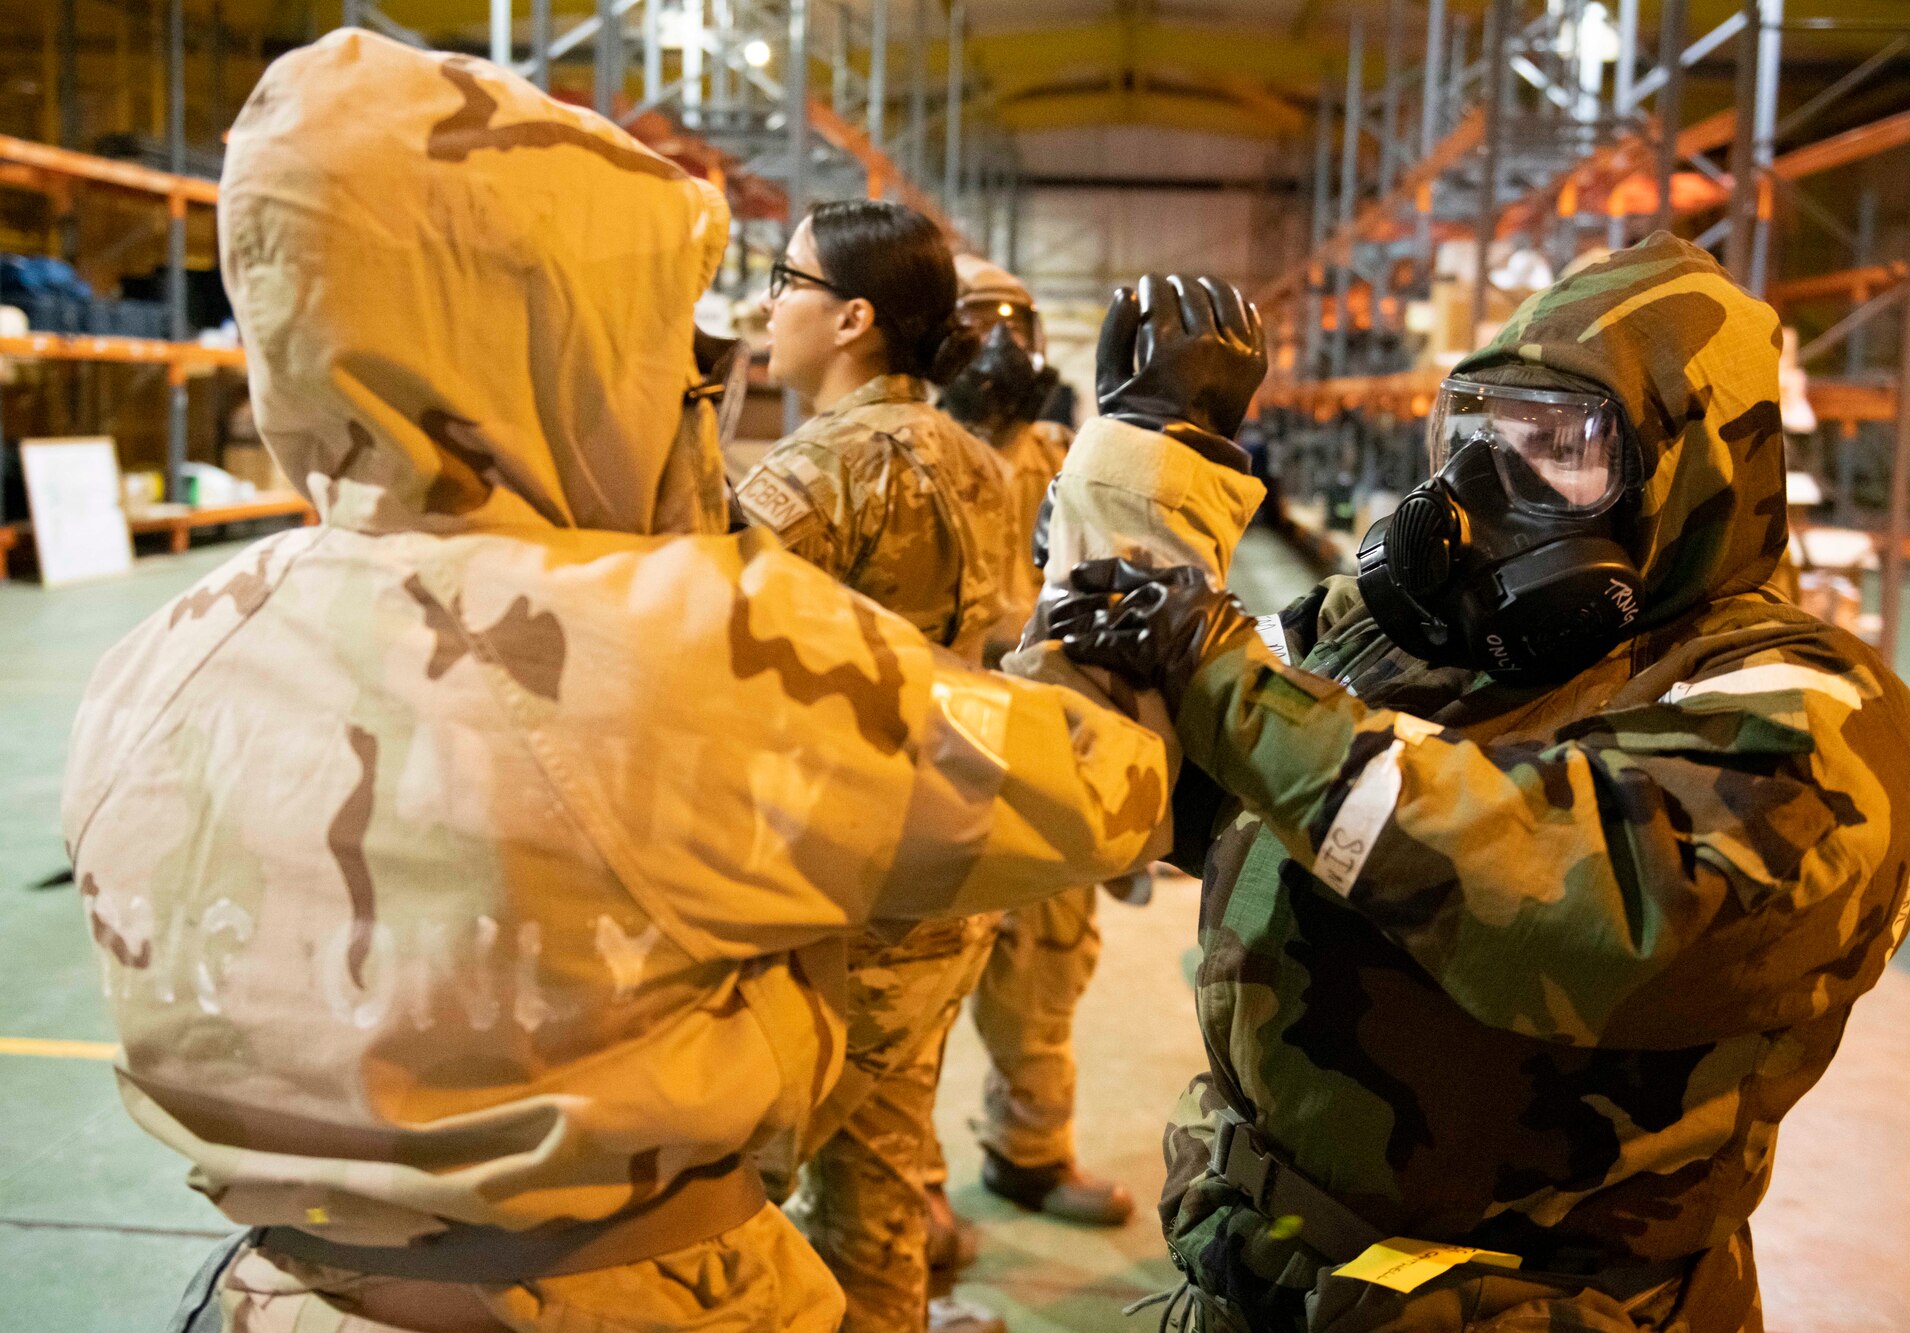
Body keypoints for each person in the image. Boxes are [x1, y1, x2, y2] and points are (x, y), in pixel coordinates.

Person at [63, 33, 1187, 1333]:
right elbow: (1107, 788)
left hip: (275, 1295)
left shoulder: (162, 653)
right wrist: (1167, 471)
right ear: (563, 324)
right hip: (640, 1296)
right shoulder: (690, 638)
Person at [1047, 235, 1910, 1331]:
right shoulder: (1391, 629)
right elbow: (1125, 775)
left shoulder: (1801, 710)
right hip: (1254, 1269)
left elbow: (1578, 909)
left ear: (1687, 475)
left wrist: (1226, 684)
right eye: (1482, 432)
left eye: (1559, 447)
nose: (1479, 487)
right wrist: (1139, 467)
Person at [731, 202, 1018, 1333]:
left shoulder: (803, 482)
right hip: (945, 885)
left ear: (850, 316)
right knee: (878, 1186)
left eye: (780, 277)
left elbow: (690, 661)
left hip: (827, 905)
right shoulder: (979, 463)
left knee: (724, 1198)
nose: (765, 302)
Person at [934, 255, 1136, 1235]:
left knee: (1047, 968)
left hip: (1045, 756)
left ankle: (1028, 1151)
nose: (1002, 344)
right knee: (911, 990)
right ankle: (903, 1190)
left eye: (1016, 320)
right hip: (932, 765)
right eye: (978, 322)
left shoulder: (1065, 453)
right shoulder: (906, 456)